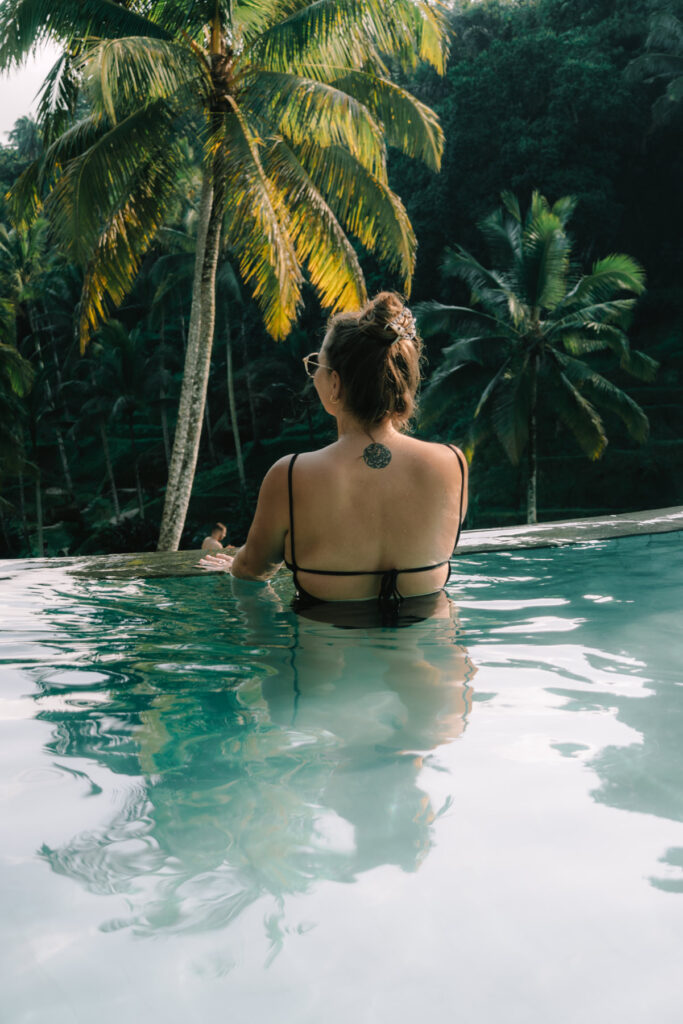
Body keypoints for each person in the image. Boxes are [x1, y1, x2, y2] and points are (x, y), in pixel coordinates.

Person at [200, 292, 468, 618]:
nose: (314, 375)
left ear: (336, 384)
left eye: (317, 365)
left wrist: (233, 561)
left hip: (328, 661)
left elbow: (252, 570)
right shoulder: (453, 463)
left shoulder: (292, 475)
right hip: (435, 663)